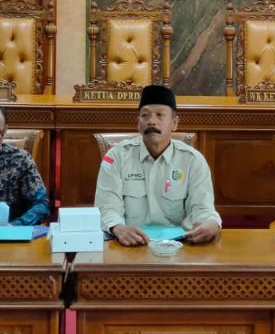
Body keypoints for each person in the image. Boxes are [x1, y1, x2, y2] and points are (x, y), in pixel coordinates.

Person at [94, 84, 221, 246]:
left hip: (179, 247)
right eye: (145, 115)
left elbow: (203, 208)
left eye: (160, 115)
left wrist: (211, 223)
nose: (151, 121)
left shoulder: (193, 160)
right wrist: (118, 228)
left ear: (174, 123)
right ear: (138, 123)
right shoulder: (116, 157)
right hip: (131, 245)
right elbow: (107, 207)